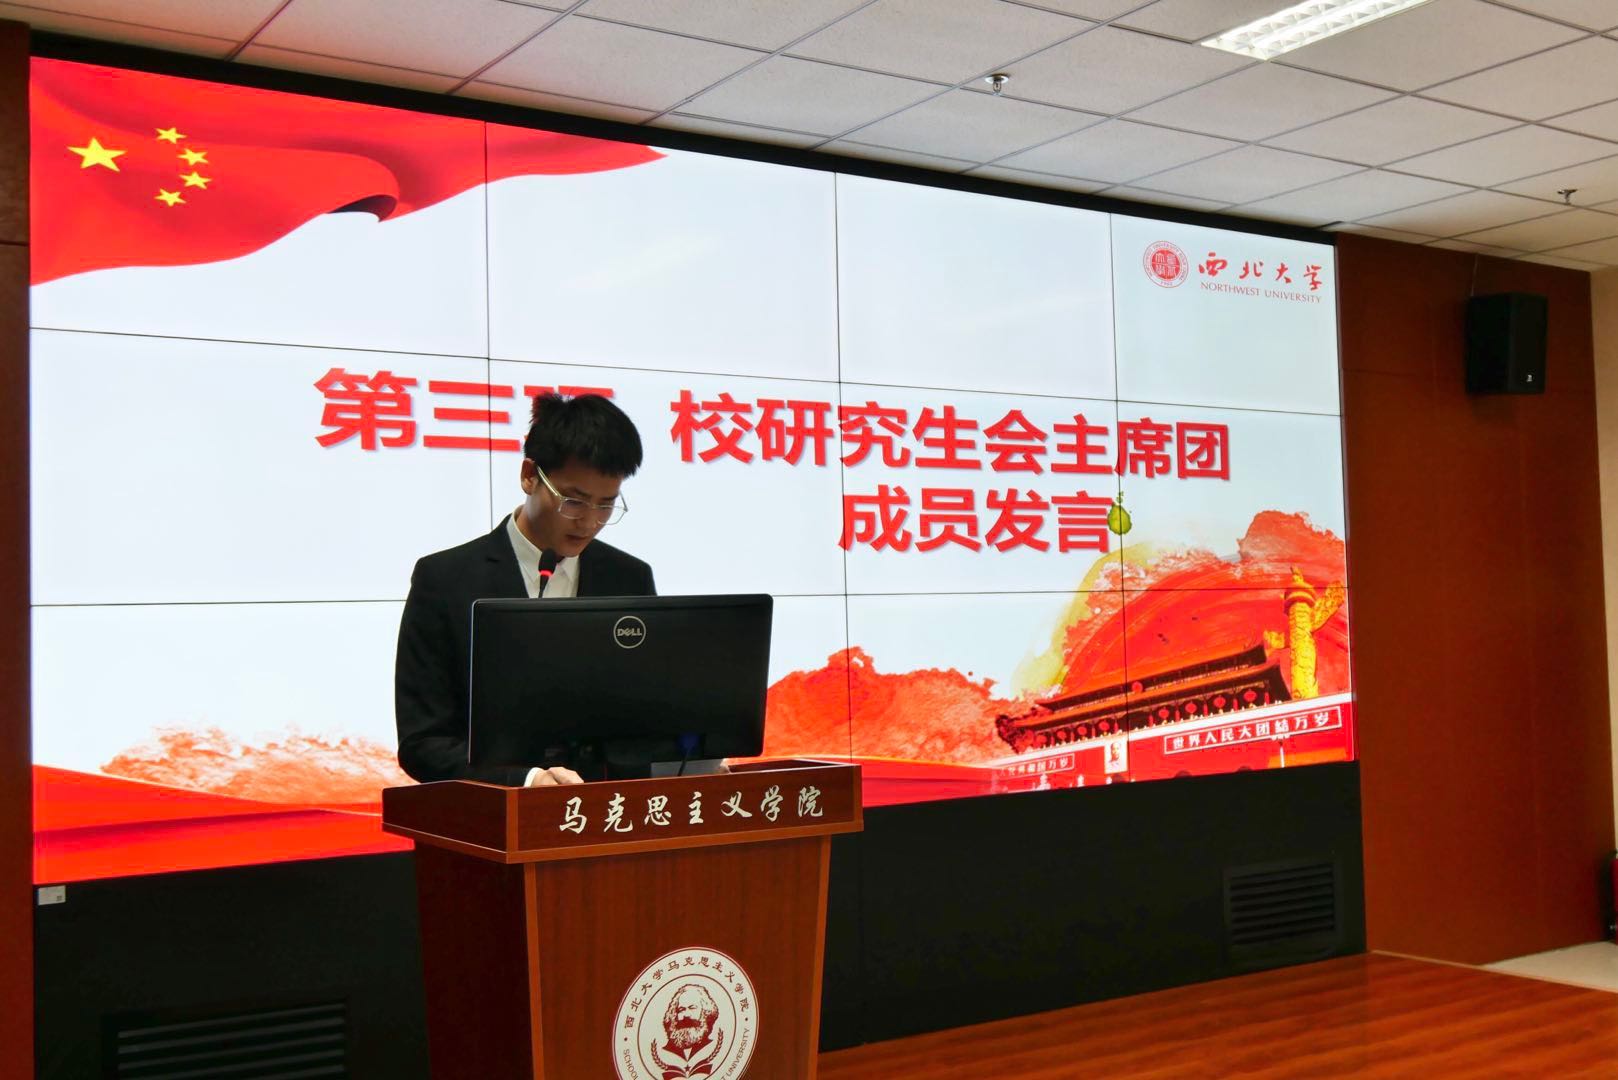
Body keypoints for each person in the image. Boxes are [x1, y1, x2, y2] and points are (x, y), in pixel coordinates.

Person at [394, 392, 655, 787]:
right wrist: (527, 781)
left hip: (608, 812)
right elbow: (423, 742)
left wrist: (688, 758)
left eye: (606, 505)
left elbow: (643, 720)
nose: (589, 522)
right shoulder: (445, 580)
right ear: (530, 475)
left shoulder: (629, 578)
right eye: (574, 501)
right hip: (495, 816)